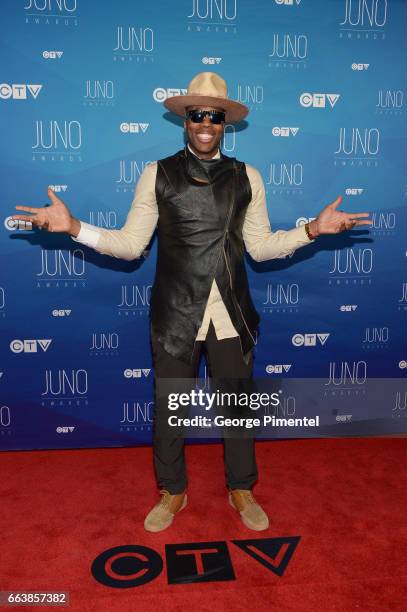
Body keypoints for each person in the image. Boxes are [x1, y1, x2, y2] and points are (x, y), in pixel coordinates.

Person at [12, 72, 372, 533]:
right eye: (197, 114)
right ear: (185, 119)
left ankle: (241, 488)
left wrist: (311, 231)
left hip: (231, 315)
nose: (206, 123)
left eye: (215, 116)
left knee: (238, 408)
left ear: (226, 124)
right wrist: (75, 227)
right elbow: (129, 245)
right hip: (176, 314)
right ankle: (173, 491)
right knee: (170, 411)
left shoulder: (247, 178)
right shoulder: (157, 175)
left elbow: (260, 247)